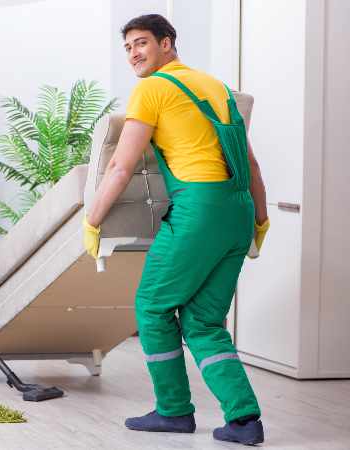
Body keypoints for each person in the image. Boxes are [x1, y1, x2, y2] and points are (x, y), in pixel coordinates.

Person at [82, 14, 270, 445]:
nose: (133, 53)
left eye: (142, 43)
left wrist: (91, 222)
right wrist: (260, 220)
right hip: (237, 209)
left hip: (197, 211)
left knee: (152, 306)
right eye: (128, 46)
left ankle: (173, 410)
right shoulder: (217, 87)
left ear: (168, 43)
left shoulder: (152, 89)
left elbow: (120, 165)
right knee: (204, 322)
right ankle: (244, 420)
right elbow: (251, 164)